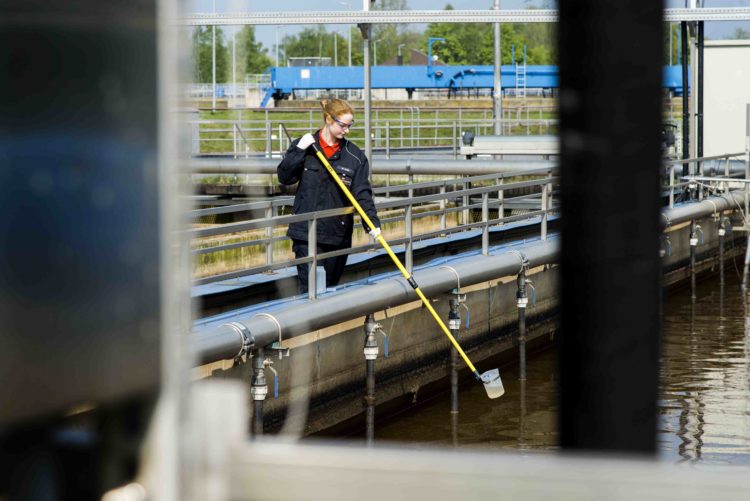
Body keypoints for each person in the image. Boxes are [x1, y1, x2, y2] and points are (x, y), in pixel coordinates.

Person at [277, 98, 381, 294]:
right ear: (328, 119)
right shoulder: (305, 147)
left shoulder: (354, 157)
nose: (347, 130)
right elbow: (285, 177)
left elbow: (362, 194)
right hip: (306, 232)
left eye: (350, 125)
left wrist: (372, 223)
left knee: (329, 290)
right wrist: (299, 151)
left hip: (336, 235)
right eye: (343, 125)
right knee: (309, 291)